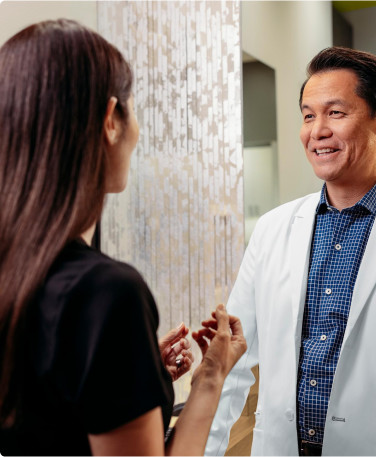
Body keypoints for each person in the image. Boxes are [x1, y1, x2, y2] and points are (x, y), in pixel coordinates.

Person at [0, 19, 246, 456]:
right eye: (133, 109)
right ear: (111, 120)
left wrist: (133, 375)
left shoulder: (17, 273)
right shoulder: (105, 293)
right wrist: (211, 376)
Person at [205, 46, 376, 456]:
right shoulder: (272, 229)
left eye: (335, 113)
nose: (317, 131)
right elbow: (232, 361)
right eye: (308, 116)